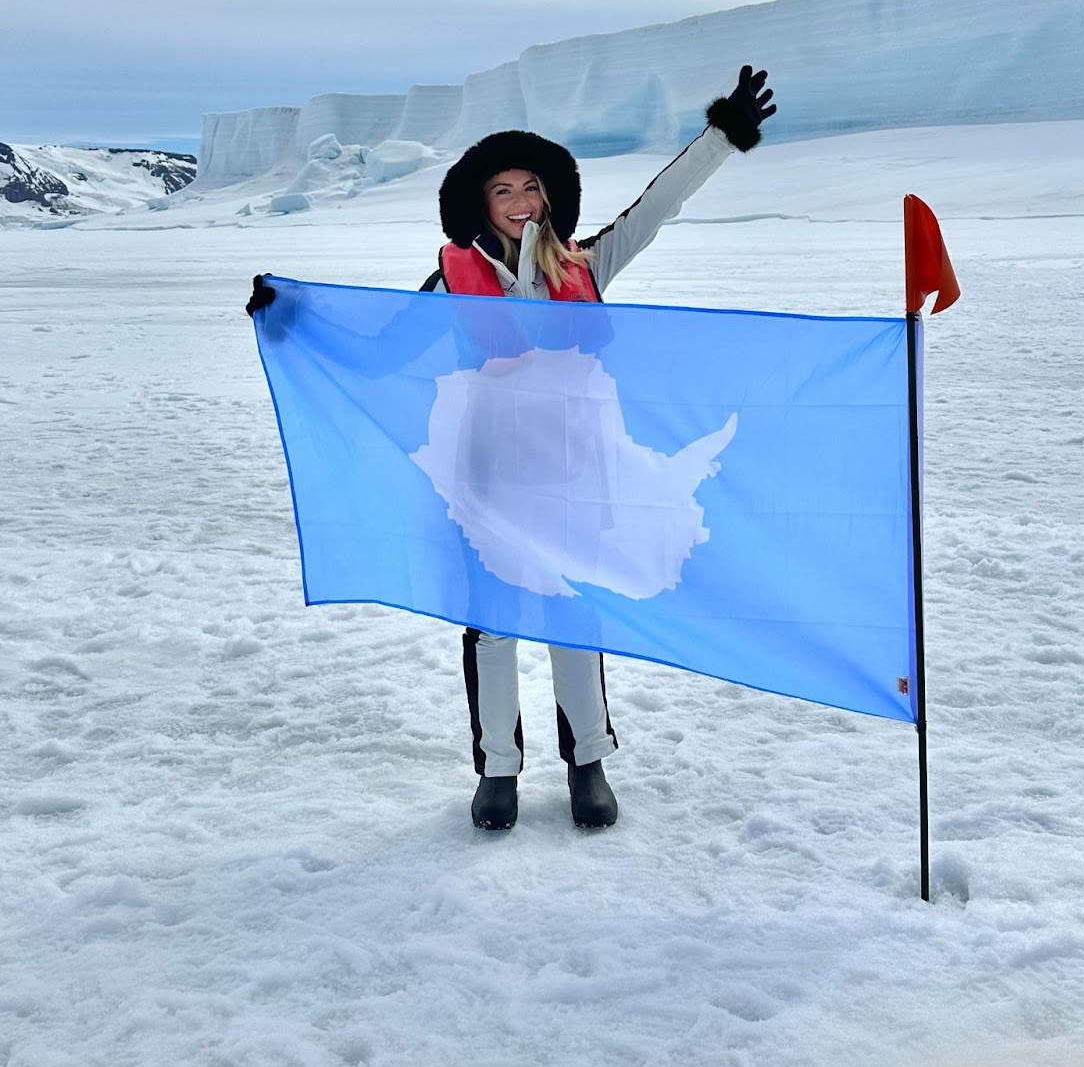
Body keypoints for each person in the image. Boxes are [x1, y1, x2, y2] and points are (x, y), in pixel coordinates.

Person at [248, 65, 776, 832]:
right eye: (504, 191)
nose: (522, 202)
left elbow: (658, 205)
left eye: (531, 187)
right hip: (489, 479)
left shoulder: (587, 266)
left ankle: (588, 763)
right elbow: (379, 353)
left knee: (571, 615)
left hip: (578, 474)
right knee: (494, 626)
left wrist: (721, 138)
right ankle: (497, 772)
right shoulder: (450, 283)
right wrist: (293, 319)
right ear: (479, 205)